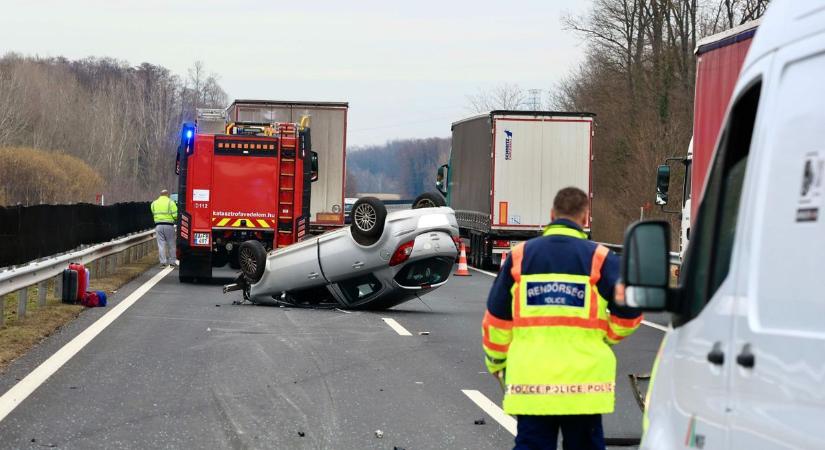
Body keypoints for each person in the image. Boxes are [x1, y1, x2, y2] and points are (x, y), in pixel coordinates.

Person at [482, 187, 642, 450]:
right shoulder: (601, 259)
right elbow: (631, 312)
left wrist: (497, 362)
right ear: (585, 218)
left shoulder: (520, 257)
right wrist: (604, 336)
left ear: (552, 214)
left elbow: (496, 320)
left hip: (531, 382)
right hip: (584, 385)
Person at [150, 189, 178, 268]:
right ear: (167, 195)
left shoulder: (154, 203)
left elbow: (153, 213)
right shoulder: (171, 202)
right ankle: (172, 262)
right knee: (171, 244)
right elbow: (175, 215)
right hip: (169, 226)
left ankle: (163, 262)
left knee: (161, 245)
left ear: (160, 194)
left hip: (158, 226)